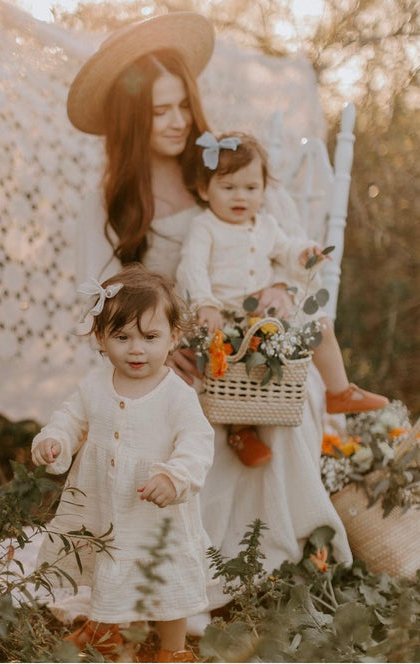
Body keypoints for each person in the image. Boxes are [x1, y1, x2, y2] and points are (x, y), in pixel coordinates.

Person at [67, 11, 353, 629]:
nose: (174, 122)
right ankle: (199, 568)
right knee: (185, 411)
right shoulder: (118, 197)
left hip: (245, 332)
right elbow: (104, 292)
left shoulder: (223, 161)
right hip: (177, 347)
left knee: (284, 389)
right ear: (130, 121)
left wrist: (278, 284)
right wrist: (156, 341)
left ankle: (289, 557)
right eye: (157, 112)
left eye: (179, 107)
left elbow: (284, 243)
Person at [32, 263, 215, 663]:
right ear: (100, 337)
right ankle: (106, 626)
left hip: (157, 509)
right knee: (104, 560)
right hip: (101, 500)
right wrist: (55, 439)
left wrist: (175, 476)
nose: (136, 349)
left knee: (167, 576)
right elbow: (71, 418)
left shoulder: (176, 395)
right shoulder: (95, 385)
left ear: (173, 338)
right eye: (122, 336)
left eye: (150, 337)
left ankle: (173, 649)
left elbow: (198, 441)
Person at [176, 130, 388, 467]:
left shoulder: (267, 225)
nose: (239, 197)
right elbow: (192, 268)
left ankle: (339, 392)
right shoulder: (205, 227)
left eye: (250, 188)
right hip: (225, 316)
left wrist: (305, 254)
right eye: (228, 187)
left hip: (263, 315)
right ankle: (240, 432)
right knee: (232, 369)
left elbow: (285, 249)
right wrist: (205, 304)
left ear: (263, 190)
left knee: (318, 326)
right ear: (205, 190)